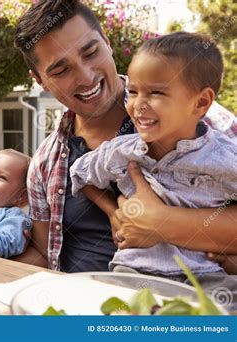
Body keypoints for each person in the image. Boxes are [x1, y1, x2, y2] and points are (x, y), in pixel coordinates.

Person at [12, 0, 237, 273]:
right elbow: (43, 252)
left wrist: (161, 223)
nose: (85, 77)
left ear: (106, 42)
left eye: (91, 52)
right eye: (61, 70)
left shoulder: (201, 118)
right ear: (40, 81)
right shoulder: (44, 162)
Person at [69, 32, 237, 306]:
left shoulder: (225, 157)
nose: (138, 105)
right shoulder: (122, 151)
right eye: (133, 91)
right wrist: (114, 214)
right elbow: (80, 173)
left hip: (204, 279)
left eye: (156, 92)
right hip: (132, 273)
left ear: (201, 102)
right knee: (93, 308)